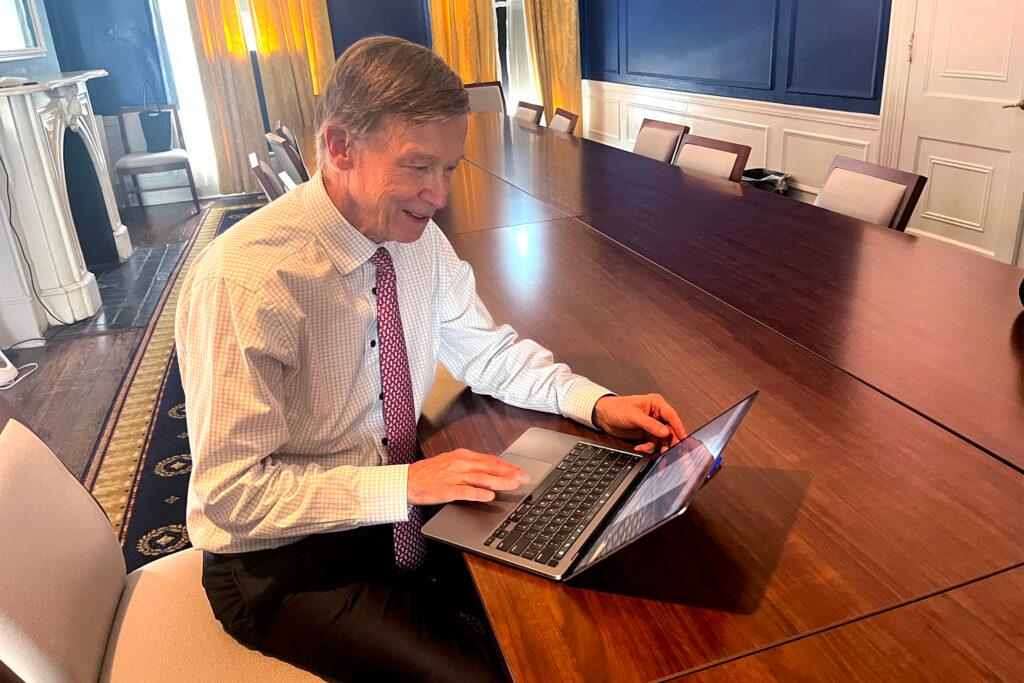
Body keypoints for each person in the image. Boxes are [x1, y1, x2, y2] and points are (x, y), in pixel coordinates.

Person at [175, 35, 686, 682]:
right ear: (339, 147)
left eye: (449, 169)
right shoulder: (246, 281)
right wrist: (409, 485)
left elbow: (489, 350)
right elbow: (229, 498)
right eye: (418, 166)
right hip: (284, 561)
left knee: (574, 601)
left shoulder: (416, 242)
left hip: (397, 507)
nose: (438, 195)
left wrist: (595, 401)